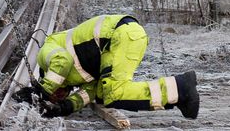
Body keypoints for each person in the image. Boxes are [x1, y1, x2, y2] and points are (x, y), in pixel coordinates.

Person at [14, 14, 199, 119]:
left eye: (54, 97)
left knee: (114, 92)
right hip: (126, 37)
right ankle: (177, 96)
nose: (56, 97)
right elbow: (91, 93)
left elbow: (62, 62)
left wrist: (40, 92)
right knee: (105, 94)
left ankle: (182, 87)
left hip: (119, 35)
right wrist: (65, 107)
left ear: (44, 75)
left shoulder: (45, 53)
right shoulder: (76, 78)